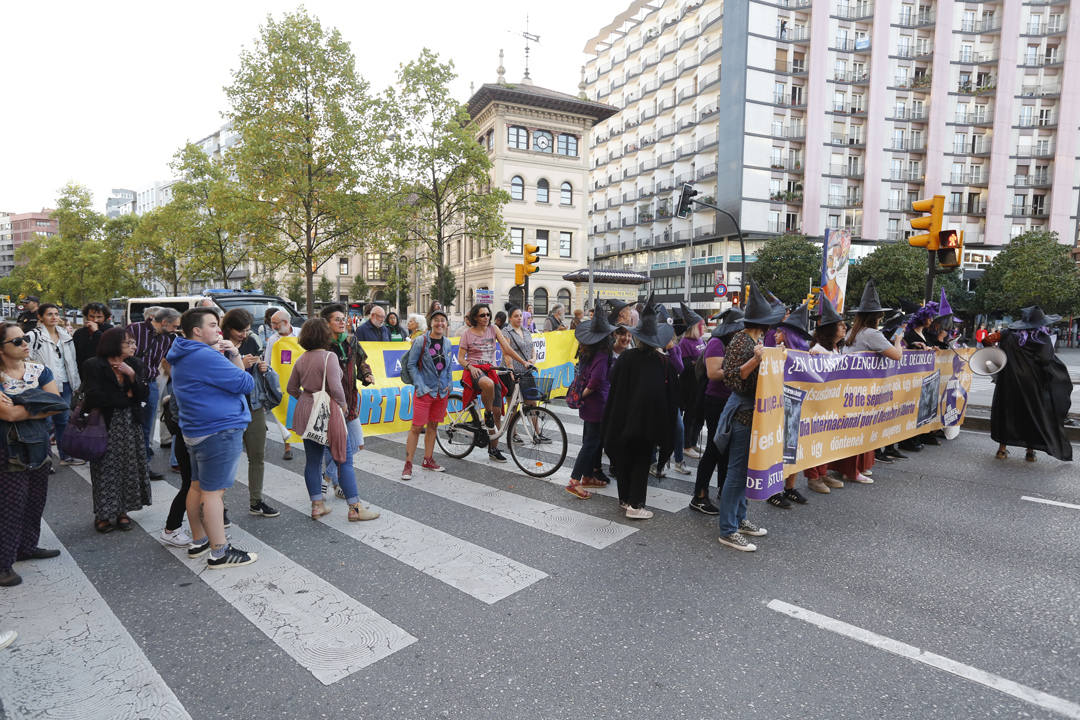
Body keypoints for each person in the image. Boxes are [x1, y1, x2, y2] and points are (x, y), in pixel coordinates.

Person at [166, 308, 258, 569]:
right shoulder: (204, 355)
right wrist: (235, 354)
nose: (219, 330)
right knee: (214, 493)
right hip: (218, 428)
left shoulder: (183, 351)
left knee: (197, 486)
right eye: (213, 325)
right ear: (197, 330)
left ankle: (200, 540)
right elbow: (245, 383)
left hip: (198, 428)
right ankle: (220, 551)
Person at [288, 318, 379, 522]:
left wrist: (307, 398)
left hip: (307, 411)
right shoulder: (329, 357)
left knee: (312, 461)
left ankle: (317, 505)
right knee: (343, 459)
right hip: (329, 411)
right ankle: (355, 508)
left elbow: (291, 388)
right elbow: (336, 388)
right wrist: (344, 407)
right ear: (324, 335)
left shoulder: (302, 359)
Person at [714, 281, 781, 551]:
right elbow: (731, 377)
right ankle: (728, 529)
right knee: (737, 472)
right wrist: (756, 359)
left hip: (754, 413)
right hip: (742, 414)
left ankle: (739, 519)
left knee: (744, 472)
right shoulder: (743, 341)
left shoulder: (755, 339)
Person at [0, 322, 64, 587]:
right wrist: (36, 401)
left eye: (25, 338)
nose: (25, 343)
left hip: (38, 443)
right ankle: (3, 564)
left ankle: (27, 546)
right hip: (7, 447)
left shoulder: (39, 369)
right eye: (17, 341)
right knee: (9, 506)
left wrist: (19, 402)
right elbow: (8, 415)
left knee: (36, 499)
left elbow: (57, 404)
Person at [602, 298, 678, 519]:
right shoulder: (664, 363)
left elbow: (612, 380)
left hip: (623, 420)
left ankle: (625, 499)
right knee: (641, 462)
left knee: (625, 459)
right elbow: (672, 397)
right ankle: (636, 505)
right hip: (648, 423)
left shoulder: (626, 357)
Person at [80, 328, 152, 533]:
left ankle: (123, 512)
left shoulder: (135, 364)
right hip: (104, 424)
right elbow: (95, 396)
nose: (134, 346)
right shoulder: (94, 364)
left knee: (129, 469)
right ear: (113, 343)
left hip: (131, 424)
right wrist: (127, 397)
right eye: (128, 343)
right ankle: (103, 514)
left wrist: (131, 377)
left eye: (134, 343)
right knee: (105, 470)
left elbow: (143, 394)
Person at [988, 306, 1073, 463]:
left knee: (1007, 413)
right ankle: (1030, 451)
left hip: (1009, 383)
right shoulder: (1042, 338)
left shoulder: (1007, 335)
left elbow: (988, 341)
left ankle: (1002, 449)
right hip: (1032, 384)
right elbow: (1046, 360)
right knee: (1031, 414)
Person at [839, 279, 902, 484]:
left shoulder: (852, 333)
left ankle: (854, 467)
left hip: (850, 389)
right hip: (862, 390)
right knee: (860, 429)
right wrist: (899, 342)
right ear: (876, 317)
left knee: (853, 430)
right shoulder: (872, 334)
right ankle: (853, 470)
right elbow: (896, 356)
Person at [220, 309, 280, 519]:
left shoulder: (252, 342)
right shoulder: (217, 345)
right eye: (240, 330)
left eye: (247, 330)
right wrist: (238, 365)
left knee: (257, 456)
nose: (244, 335)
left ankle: (256, 501)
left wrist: (263, 368)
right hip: (227, 410)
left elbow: (258, 372)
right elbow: (217, 378)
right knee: (226, 460)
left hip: (253, 405)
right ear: (227, 328)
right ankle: (219, 507)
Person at [457, 303, 532, 463]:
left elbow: (507, 349)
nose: (486, 318)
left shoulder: (493, 329)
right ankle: (487, 414)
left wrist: (524, 362)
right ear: (475, 317)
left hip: (491, 370)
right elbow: (461, 358)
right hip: (475, 371)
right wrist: (470, 367)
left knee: (498, 413)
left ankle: (493, 448)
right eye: (482, 315)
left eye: (487, 314)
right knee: (489, 387)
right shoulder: (467, 334)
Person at [318, 304, 375, 506]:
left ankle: (325, 477)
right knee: (331, 446)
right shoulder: (321, 346)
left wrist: (366, 374)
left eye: (344, 318)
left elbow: (362, 362)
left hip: (350, 403)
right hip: (330, 404)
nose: (343, 322)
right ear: (327, 323)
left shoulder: (351, 341)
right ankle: (338, 484)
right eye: (337, 319)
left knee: (356, 444)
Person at [690, 308, 744, 515]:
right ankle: (699, 495)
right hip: (716, 402)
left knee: (726, 450)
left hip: (730, 401)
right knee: (714, 448)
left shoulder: (732, 343)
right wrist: (745, 368)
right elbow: (713, 373)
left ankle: (724, 489)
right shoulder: (716, 343)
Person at [565, 311, 615, 499]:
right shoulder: (602, 355)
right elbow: (595, 382)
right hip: (598, 404)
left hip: (589, 405)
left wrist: (580, 398)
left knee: (590, 440)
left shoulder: (587, 351)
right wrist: (580, 396)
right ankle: (574, 481)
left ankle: (587, 476)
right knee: (591, 444)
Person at [26, 303, 82, 466]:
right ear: (40, 317)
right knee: (45, 424)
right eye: (49, 314)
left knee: (63, 422)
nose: (54, 317)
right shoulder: (33, 336)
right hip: (43, 386)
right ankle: (44, 459)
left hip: (65, 384)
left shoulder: (65, 335)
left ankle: (65, 456)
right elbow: (25, 359)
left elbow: (72, 361)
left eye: (56, 314)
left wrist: (76, 383)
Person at [127, 307, 181, 475]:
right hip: (128, 383)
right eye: (174, 326)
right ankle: (127, 465)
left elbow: (167, 360)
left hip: (150, 384)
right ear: (164, 322)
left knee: (146, 426)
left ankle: (143, 467)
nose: (176, 330)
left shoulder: (167, 339)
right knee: (127, 423)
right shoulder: (135, 329)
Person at [402, 308, 453, 479]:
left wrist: (449, 384)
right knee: (416, 427)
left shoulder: (447, 343)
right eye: (436, 320)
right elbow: (411, 365)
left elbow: (448, 367)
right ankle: (408, 465)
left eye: (443, 320)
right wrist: (420, 385)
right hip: (425, 391)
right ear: (431, 323)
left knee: (433, 426)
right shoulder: (421, 341)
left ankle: (428, 460)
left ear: (446, 324)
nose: (440, 323)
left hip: (441, 392)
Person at [804, 295, 847, 495]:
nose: (845, 328)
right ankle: (813, 476)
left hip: (832, 401)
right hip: (818, 404)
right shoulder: (818, 350)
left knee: (826, 438)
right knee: (815, 439)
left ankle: (823, 472)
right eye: (841, 325)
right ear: (831, 329)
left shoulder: (837, 348)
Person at [501, 305, 545, 440]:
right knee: (513, 405)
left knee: (532, 402)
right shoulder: (506, 331)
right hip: (510, 373)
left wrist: (533, 359)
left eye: (520, 315)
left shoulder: (526, 331)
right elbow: (506, 352)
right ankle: (513, 433)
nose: (519, 318)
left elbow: (532, 349)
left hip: (526, 372)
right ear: (510, 318)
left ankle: (537, 432)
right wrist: (511, 370)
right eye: (516, 316)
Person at [263, 309, 301, 461]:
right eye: (272, 324)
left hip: (301, 379)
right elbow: (267, 361)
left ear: (286, 322)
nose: (273, 327)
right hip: (281, 381)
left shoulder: (300, 333)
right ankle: (288, 445)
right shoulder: (273, 340)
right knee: (283, 411)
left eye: (276, 324)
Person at [676, 303, 707, 462]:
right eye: (700, 325)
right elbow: (684, 365)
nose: (703, 328)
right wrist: (696, 363)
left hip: (700, 384)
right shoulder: (684, 342)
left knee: (698, 416)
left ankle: (693, 442)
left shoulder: (700, 340)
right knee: (689, 416)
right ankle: (686, 445)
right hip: (689, 386)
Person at [72, 302, 112, 370]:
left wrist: (96, 332)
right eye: (91, 316)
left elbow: (109, 349)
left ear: (105, 317)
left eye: (99, 317)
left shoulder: (111, 331)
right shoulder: (79, 333)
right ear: (87, 316)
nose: (95, 320)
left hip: (104, 371)